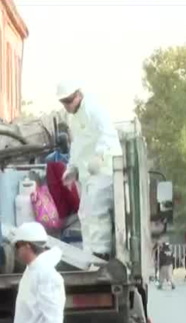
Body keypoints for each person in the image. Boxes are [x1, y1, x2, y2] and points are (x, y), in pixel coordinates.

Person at [57, 80, 123, 259]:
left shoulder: (95, 108)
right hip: (88, 173)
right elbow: (77, 146)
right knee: (85, 213)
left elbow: (107, 133)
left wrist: (100, 156)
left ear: (78, 94)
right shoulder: (74, 118)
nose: (67, 106)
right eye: (64, 102)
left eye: (69, 101)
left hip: (105, 170)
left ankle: (100, 254)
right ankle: (90, 253)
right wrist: (72, 167)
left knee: (96, 211)